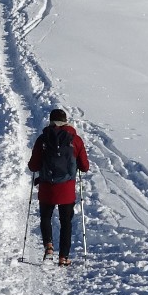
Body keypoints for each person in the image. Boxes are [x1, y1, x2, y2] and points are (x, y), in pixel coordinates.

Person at [28, 108, 90, 265]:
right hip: (67, 189)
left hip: (47, 187)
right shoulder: (75, 140)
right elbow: (85, 167)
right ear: (66, 121)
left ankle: (49, 246)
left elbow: (33, 166)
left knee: (46, 217)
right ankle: (64, 257)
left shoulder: (43, 139)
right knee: (66, 222)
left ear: (50, 121)